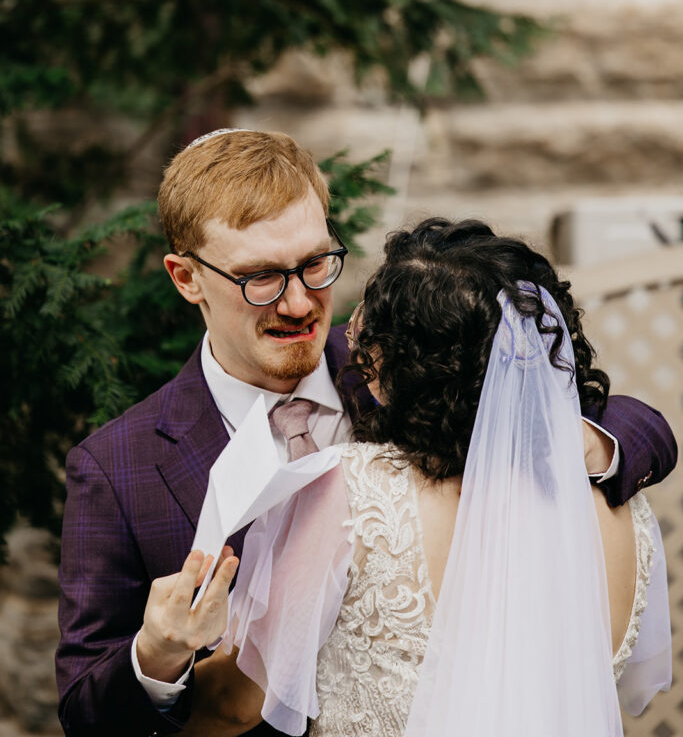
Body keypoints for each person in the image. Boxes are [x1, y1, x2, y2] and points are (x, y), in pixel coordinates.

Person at [55, 131, 677, 737]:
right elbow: (85, 710)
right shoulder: (116, 467)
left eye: (316, 264)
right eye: (261, 277)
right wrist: (157, 660)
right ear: (187, 278)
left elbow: (629, 422)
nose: (299, 303)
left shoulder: (406, 368)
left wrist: (584, 444)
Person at [184, 218, 673, 736]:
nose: (353, 345)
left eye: (364, 337)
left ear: (404, 366)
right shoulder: (619, 503)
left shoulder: (349, 490)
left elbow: (235, 702)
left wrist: (163, 664)